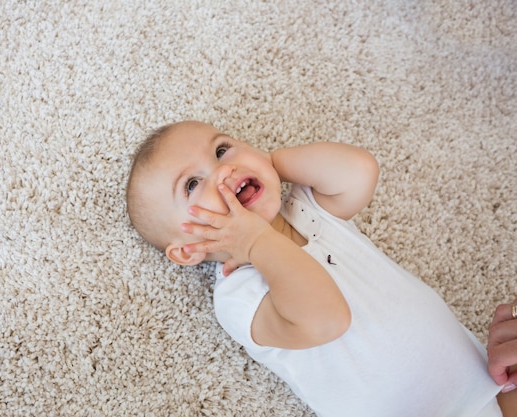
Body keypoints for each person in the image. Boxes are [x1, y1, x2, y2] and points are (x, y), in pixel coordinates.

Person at [126, 120, 516, 416]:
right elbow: (326, 320)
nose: (222, 172)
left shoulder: (305, 210)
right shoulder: (239, 294)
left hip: (487, 382)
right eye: (192, 184)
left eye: (222, 150)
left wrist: (268, 163)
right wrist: (253, 241)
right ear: (188, 250)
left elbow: (359, 171)